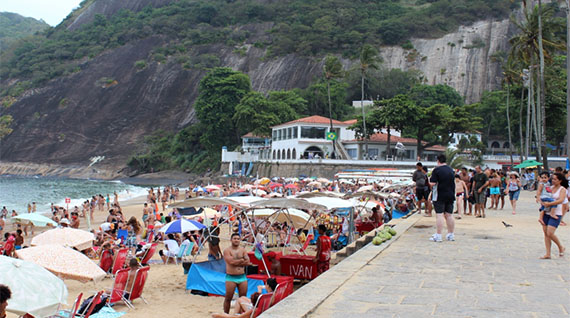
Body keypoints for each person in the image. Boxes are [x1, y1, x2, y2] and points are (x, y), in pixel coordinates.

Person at [538, 172, 567, 259]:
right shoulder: (549, 187)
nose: (553, 181)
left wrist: (550, 203)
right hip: (546, 212)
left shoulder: (562, 189)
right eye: (552, 179)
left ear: (560, 180)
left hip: (556, 213)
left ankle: (560, 246)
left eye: (555, 179)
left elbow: (561, 200)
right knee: (546, 234)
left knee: (550, 232)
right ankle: (548, 253)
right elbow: (543, 195)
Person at [429, 154, 456, 242]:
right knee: (449, 215)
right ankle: (451, 234)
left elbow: (432, 183)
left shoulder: (436, 170)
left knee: (439, 214)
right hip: (450, 194)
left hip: (439, 195)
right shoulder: (451, 170)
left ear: (438, 160)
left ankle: (439, 235)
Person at [222, 233, 251, 314]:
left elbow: (248, 262)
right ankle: (226, 314)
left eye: (238, 239)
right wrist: (242, 260)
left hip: (242, 276)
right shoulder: (227, 250)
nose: (236, 240)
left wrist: (237, 262)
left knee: (243, 298)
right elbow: (231, 262)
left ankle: (241, 314)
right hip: (231, 277)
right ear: (231, 240)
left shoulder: (243, 250)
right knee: (228, 298)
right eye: (234, 238)